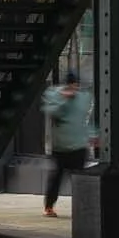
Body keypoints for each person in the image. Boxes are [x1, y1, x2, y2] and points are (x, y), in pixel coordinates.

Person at [39, 70, 95, 218]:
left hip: (79, 145)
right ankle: (49, 206)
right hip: (61, 146)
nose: (74, 90)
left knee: (80, 178)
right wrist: (63, 100)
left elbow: (84, 118)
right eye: (71, 86)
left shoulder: (83, 97)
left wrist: (93, 134)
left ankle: (84, 208)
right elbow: (52, 113)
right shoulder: (53, 94)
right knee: (56, 177)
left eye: (76, 86)